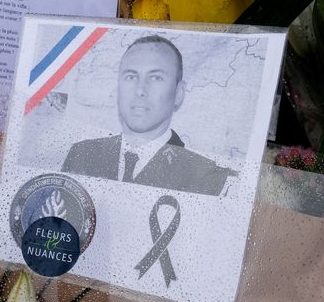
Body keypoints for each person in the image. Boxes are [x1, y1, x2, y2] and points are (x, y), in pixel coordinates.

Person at [61, 35, 236, 196]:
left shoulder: (207, 177)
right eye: (131, 76)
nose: (140, 90)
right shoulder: (81, 155)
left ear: (178, 93)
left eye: (156, 78)